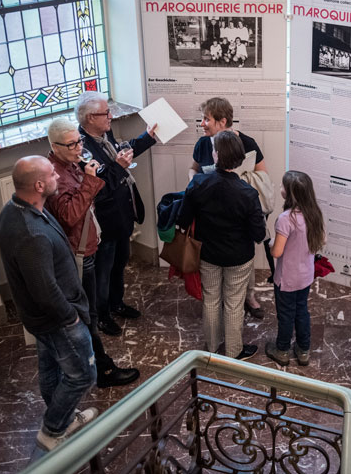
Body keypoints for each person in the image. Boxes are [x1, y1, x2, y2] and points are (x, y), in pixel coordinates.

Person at [0, 156, 98, 451]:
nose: (58, 176)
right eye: (53, 174)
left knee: (52, 368)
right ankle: (52, 431)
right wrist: (71, 318)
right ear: (39, 185)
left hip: (42, 318)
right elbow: (44, 289)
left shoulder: (16, 209)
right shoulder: (31, 233)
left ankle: (62, 420)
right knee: (82, 375)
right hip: (57, 318)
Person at [45, 119, 141, 389]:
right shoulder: (55, 176)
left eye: (80, 142)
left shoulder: (70, 163)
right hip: (78, 252)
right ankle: (101, 370)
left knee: (90, 312)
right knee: (86, 316)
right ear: (55, 146)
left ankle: (90, 364)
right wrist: (89, 180)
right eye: (72, 144)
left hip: (88, 244)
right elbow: (70, 215)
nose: (79, 148)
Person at [177, 131, 267, 360]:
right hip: (239, 257)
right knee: (235, 303)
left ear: (215, 156)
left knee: (211, 299)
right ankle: (234, 351)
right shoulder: (248, 193)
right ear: (239, 159)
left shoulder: (198, 183)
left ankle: (212, 346)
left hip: (208, 253)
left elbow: (183, 219)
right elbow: (258, 234)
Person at [78, 92, 158, 336]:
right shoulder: (82, 148)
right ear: (90, 118)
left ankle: (117, 303)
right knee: (103, 270)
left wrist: (147, 137)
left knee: (120, 263)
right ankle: (101, 315)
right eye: (106, 113)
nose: (111, 117)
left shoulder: (104, 134)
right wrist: (119, 166)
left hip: (122, 215)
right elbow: (98, 186)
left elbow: (122, 153)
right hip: (105, 220)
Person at [189, 97, 274, 318]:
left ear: (222, 121)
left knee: (243, 258)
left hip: (238, 212)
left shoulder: (248, 142)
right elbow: (193, 170)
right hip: (212, 216)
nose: (202, 123)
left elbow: (262, 176)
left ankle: (249, 297)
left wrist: (237, 185)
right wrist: (196, 184)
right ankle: (221, 306)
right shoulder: (202, 144)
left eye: (206, 119)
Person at [264, 171, 325, 367]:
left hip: (287, 279)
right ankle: (303, 350)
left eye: (282, 186)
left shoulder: (285, 219)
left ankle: (282, 350)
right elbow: (319, 242)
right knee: (302, 311)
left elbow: (277, 252)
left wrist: (271, 243)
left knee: (286, 314)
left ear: (290, 193)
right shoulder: (314, 214)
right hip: (305, 277)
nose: (280, 189)